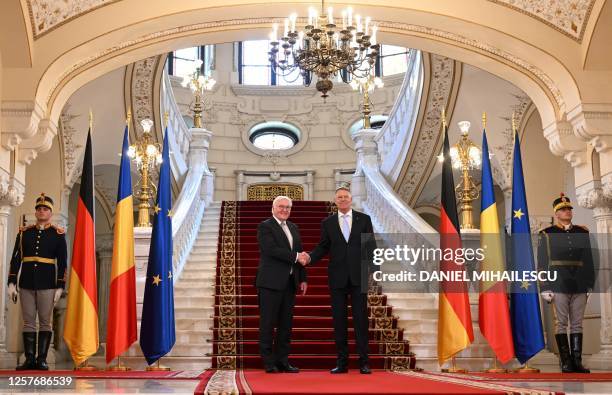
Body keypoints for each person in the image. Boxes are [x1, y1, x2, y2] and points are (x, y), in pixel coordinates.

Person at [301, 187, 376, 374]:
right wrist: (310, 258)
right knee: (339, 322)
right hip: (337, 279)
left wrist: (374, 271)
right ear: (335, 201)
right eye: (339, 197)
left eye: (345, 197)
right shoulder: (328, 222)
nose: (343, 200)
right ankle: (342, 363)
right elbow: (323, 247)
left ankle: (364, 362)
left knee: (360, 321)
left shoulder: (364, 219)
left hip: (359, 277)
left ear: (351, 200)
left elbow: (370, 247)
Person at [7, 193, 67, 370]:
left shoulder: (57, 235)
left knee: (45, 321)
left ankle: (42, 359)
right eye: (39, 209)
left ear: (50, 212)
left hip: (47, 284)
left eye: (45, 209)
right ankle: (30, 359)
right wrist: (11, 283)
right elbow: (16, 259)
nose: (42, 211)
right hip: (26, 283)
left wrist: (60, 286)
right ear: (36, 212)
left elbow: (63, 262)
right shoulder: (24, 233)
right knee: (28, 321)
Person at [538, 193, 594, 373]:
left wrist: (590, 284)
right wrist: (545, 286)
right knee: (561, 323)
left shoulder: (582, 232)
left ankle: (577, 361)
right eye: (563, 209)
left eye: (569, 209)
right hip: (558, 283)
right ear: (556, 214)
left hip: (579, 283)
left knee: (577, 323)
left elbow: (588, 259)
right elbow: (542, 262)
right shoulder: (547, 234)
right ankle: (565, 362)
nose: (567, 211)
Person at [256, 195, 308, 373]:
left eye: (288, 207)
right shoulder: (265, 226)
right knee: (268, 323)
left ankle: (283, 361)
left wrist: (302, 278)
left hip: (290, 283)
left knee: (286, 325)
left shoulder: (294, 227)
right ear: (273, 208)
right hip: (270, 283)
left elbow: (300, 253)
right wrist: (295, 257)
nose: (284, 210)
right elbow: (270, 250)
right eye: (281, 207)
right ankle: (268, 362)